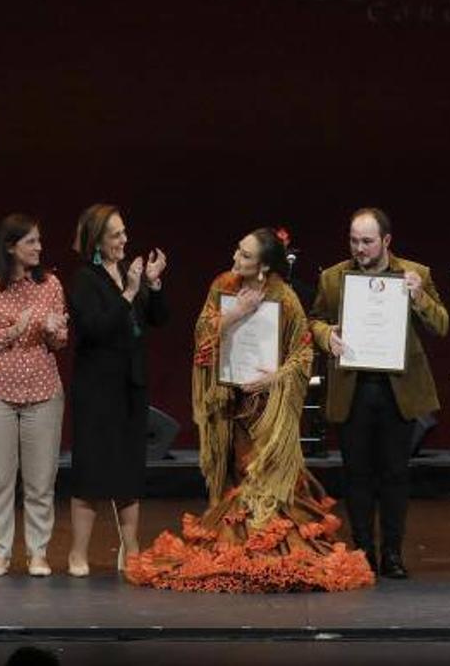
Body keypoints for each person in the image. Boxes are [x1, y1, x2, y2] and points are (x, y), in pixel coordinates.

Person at [127, 228, 375, 592]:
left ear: (263, 266)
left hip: (268, 411)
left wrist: (274, 378)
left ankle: (266, 551)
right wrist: (236, 314)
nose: (236, 258)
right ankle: (237, 550)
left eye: (245, 255)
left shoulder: (284, 298)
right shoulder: (223, 286)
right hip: (231, 405)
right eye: (238, 250)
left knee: (266, 481)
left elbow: (303, 353)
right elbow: (202, 335)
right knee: (234, 478)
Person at [307, 208, 449, 579]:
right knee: (356, 474)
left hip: (397, 391)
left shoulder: (414, 274)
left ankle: (393, 553)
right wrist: (327, 336)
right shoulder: (333, 278)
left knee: (395, 474)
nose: (360, 248)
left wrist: (419, 298)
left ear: (386, 241)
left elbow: (442, 325)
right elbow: (314, 320)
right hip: (353, 388)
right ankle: (364, 551)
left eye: (367, 241)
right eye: (354, 240)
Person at [65, 204, 169, 577]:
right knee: (92, 469)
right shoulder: (84, 279)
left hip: (130, 385)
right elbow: (94, 329)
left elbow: (157, 319)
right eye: (116, 235)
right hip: (96, 388)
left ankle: (132, 547)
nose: (124, 240)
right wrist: (127, 293)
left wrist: (153, 286)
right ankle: (78, 552)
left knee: (128, 470)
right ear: (97, 240)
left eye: (125, 232)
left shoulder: (129, 274)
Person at [0, 213, 69, 577]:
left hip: (42, 390)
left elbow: (58, 341)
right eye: (31, 242)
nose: (39, 247)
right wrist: (17, 328)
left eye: (40, 241)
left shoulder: (51, 285)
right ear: (11, 246)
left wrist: (56, 330)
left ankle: (38, 553)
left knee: (41, 479)